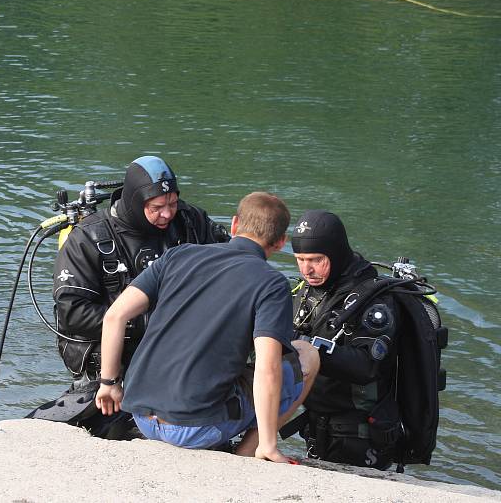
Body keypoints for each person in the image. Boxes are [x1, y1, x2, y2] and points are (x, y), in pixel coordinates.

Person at [96, 192, 319, 460]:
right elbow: (268, 366)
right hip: (195, 430)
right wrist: (271, 444)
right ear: (281, 242)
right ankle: (255, 450)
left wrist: (108, 383)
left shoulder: (178, 255)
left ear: (235, 225)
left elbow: (114, 316)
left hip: (141, 416)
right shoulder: (271, 284)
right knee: (307, 354)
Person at [28, 155, 228, 437]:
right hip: (112, 358)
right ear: (135, 201)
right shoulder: (88, 239)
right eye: (157, 207)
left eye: (172, 204)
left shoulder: (190, 223)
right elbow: (71, 313)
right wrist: (148, 322)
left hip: (178, 352)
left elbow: (232, 268)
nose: (168, 214)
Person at [288, 210, 401, 469]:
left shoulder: (373, 299)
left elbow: (366, 365)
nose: (307, 269)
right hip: (318, 423)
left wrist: (306, 346)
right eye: (300, 259)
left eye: (316, 259)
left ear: (337, 253)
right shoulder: (308, 291)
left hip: (359, 431)